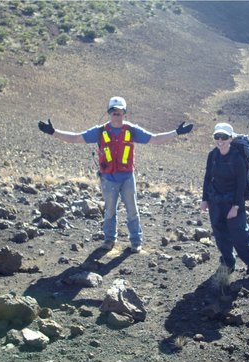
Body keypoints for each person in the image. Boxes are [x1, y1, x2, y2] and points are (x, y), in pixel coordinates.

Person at [38, 96, 193, 253]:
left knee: (132, 209)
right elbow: (75, 138)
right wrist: (53, 132)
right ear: (109, 113)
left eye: (119, 112)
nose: (116, 115)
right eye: (113, 112)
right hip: (108, 178)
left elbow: (154, 139)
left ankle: (136, 241)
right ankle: (109, 240)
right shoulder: (100, 131)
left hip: (127, 177)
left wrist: (177, 132)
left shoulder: (131, 130)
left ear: (124, 113)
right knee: (110, 210)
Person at [200, 122, 249, 282]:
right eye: (217, 136)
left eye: (224, 137)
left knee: (241, 237)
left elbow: (241, 185)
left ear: (230, 138)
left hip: (233, 203)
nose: (220, 140)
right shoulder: (213, 155)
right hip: (215, 202)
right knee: (220, 235)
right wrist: (204, 199)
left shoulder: (237, 158)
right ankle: (228, 263)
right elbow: (207, 178)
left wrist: (236, 207)